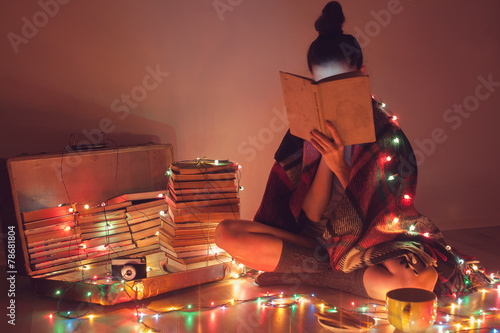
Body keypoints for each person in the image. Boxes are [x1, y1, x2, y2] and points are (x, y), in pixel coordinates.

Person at [215, 1, 464, 301]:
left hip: (366, 242)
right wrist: (326, 159)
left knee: (415, 280)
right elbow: (312, 212)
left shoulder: (385, 134)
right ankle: (337, 275)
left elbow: (382, 215)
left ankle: (320, 274)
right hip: (312, 242)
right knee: (225, 233)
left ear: (361, 76)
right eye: (323, 85)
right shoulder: (305, 131)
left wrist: (342, 167)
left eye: (341, 83)